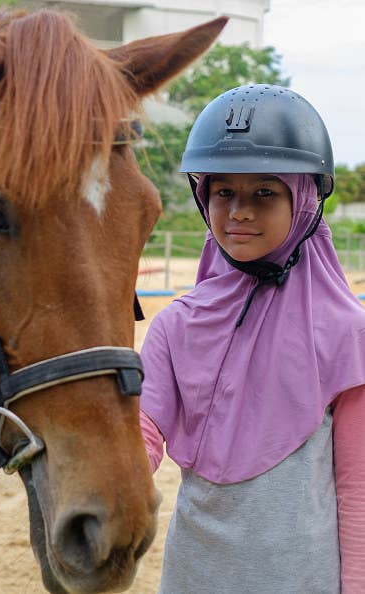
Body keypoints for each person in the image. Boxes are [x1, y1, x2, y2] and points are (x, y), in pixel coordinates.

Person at [139, 84, 365, 594]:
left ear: (304, 201)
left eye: (264, 191)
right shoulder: (175, 325)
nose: (239, 211)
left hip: (302, 580)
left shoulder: (348, 333)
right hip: (193, 574)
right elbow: (142, 431)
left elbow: (357, 485)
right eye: (224, 192)